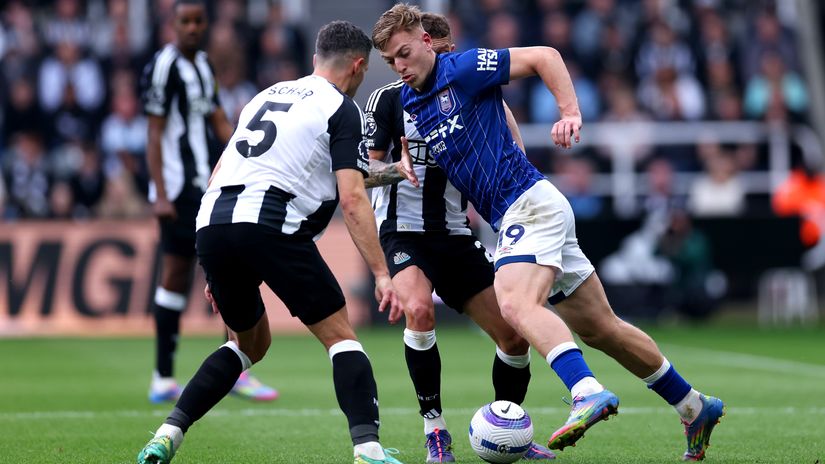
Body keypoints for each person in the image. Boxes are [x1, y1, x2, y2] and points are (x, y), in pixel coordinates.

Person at [372, 4, 724, 461]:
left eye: (405, 53)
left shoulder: (460, 68)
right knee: (602, 329)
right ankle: (694, 405)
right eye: (390, 60)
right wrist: (393, 171)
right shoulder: (412, 102)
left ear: (427, 43)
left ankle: (585, 391)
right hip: (527, 210)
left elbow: (545, 55)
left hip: (529, 205)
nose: (400, 66)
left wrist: (569, 112)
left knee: (514, 302)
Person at [136, 19, 406, 464]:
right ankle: (369, 450)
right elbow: (352, 196)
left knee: (249, 344)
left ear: (315, 58)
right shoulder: (341, 109)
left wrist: (218, 260)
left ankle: (168, 434)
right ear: (358, 66)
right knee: (341, 338)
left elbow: (227, 166)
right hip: (269, 220)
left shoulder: (268, 94)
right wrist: (381, 273)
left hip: (213, 219)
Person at [364, 12, 554, 462]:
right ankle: (435, 430)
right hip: (403, 230)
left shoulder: (473, 88)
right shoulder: (388, 100)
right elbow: (361, 172)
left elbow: (511, 152)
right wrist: (396, 169)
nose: (449, 63)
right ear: (427, 45)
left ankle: (506, 427)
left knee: (514, 336)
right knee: (418, 309)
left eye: (453, 54)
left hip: (454, 232)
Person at [139, 0, 277, 403]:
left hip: (210, 185)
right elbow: (153, 132)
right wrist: (160, 194)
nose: (194, 28)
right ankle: (163, 376)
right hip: (178, 191)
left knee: (231, 268)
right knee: (176, 276)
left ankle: (236, 365)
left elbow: (216, 118)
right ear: (173, 24)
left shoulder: (203, 66)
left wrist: (245, 148)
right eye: (186, 21)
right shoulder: (163, 68)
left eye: (199, 21)